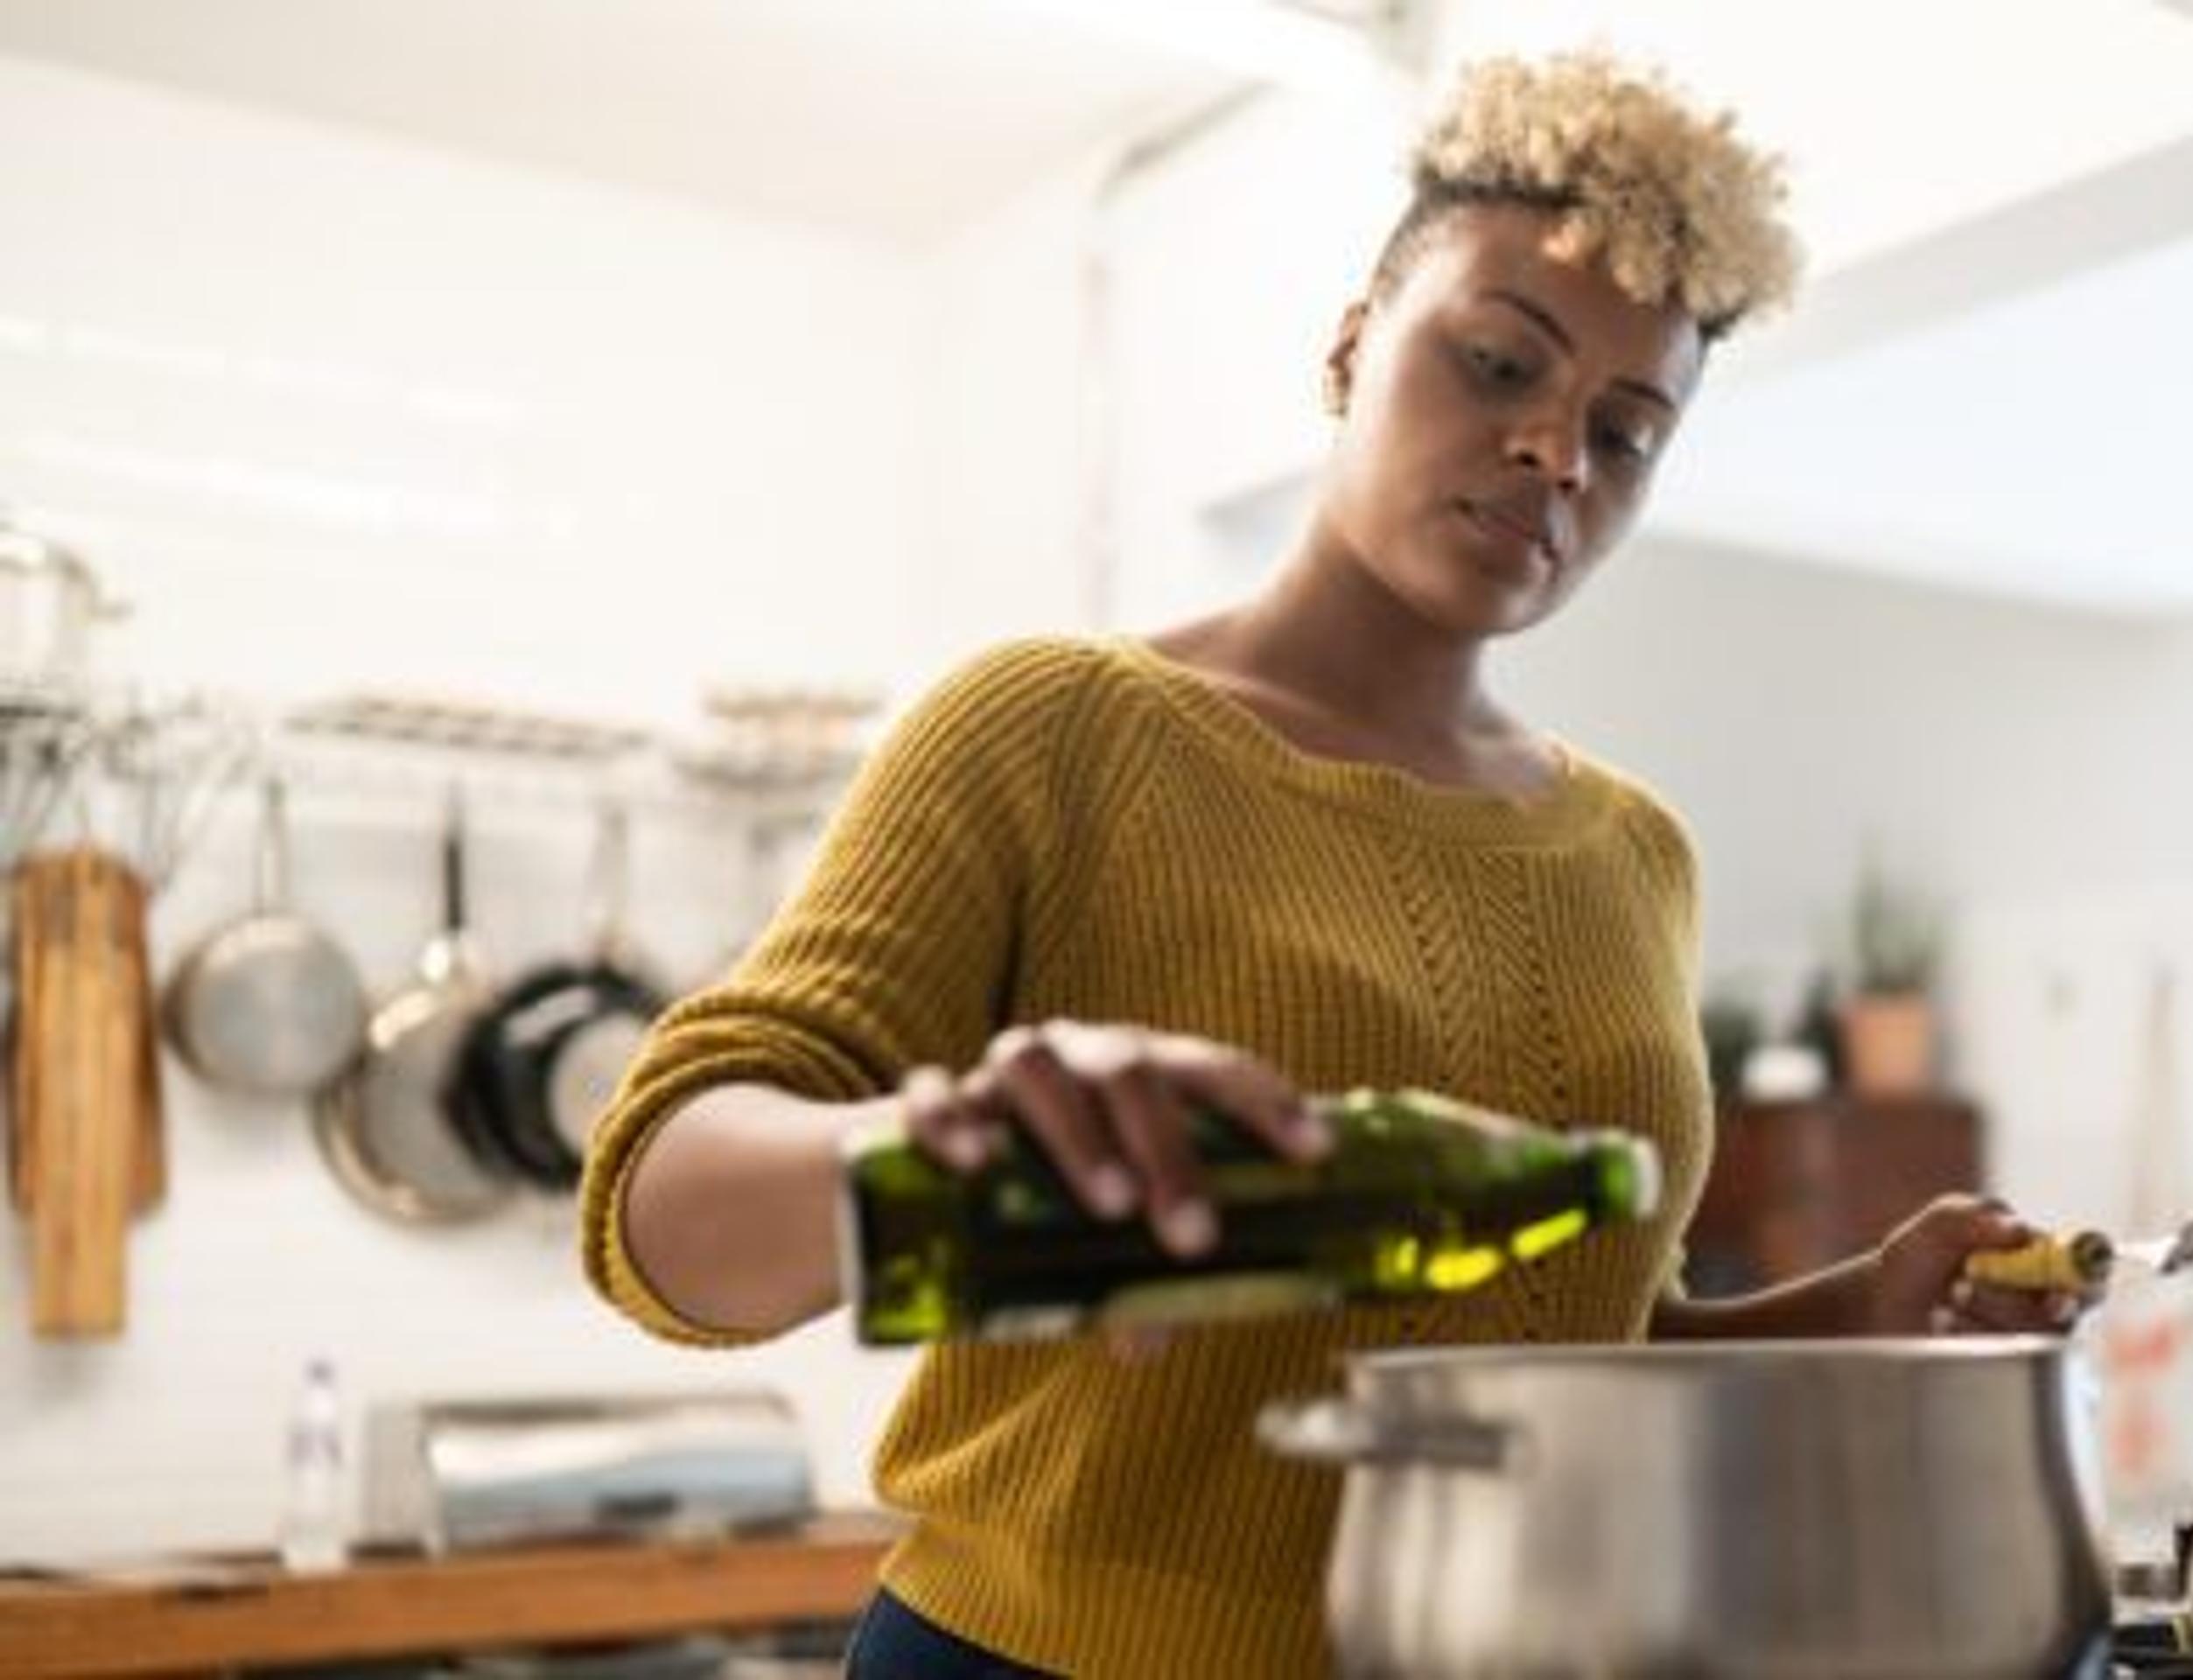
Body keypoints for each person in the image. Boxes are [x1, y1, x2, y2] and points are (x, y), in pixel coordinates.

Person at [578, 50, 2082, 1678]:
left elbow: (1556, 1338)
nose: (1556, 455)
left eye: (1627, 434)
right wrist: (932, 1155)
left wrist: (1855, 1311)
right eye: (1501, 363)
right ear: (1354, 346)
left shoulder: (1634, 853)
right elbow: (662, 1200)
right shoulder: (1056, 727)